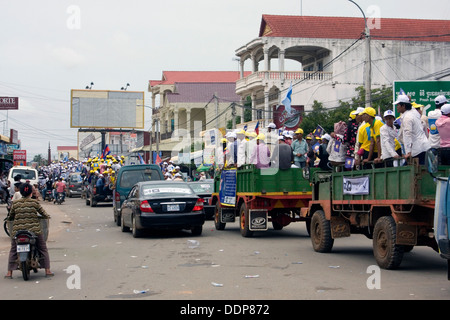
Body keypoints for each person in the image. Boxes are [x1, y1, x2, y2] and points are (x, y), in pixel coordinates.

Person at [5, 182, 53, 278]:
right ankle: (47, 271)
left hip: (18, 231)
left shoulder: (16, 203)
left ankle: (9, 273)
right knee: (43, 248)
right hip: (34, 231)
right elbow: (43, 214)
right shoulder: (34, 202)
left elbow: (10, 217)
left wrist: (10, 219)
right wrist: (47, 216)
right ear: (31, 193)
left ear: (21, 192)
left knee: (13, 250)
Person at [395, 94, 431, 164]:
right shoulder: (414, 112)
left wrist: (408, 152)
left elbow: (408, 134)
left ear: (403, 106)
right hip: (424, 147)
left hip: (417, 150)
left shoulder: (407, 117)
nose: (397, 107)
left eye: (398, 105)